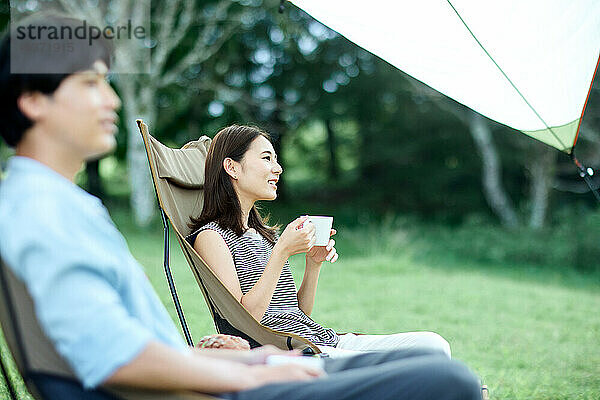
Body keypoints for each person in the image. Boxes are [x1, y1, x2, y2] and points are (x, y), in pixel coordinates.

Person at [0, 14, 482, 400]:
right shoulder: (42, 213)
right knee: (449, 382)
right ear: (32, 102)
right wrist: (251, 375)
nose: (111, 100)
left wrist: (250, 359)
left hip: (229, 368)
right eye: (90, 83)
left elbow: (134, 344)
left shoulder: (65, 206)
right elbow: (112, 357)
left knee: (433, 364)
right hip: (211, 390)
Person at [188, 125, 451, 358]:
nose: (277, 168)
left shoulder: (264, 233)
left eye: (276, 159)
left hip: (323, 341)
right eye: (267, 158)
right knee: (420, 365)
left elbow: (298, 313)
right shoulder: (211, 237)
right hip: (296, 354)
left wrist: (313, 264)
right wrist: (281, 253)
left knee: (433, 345)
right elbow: (244, 321)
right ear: (232, 167)